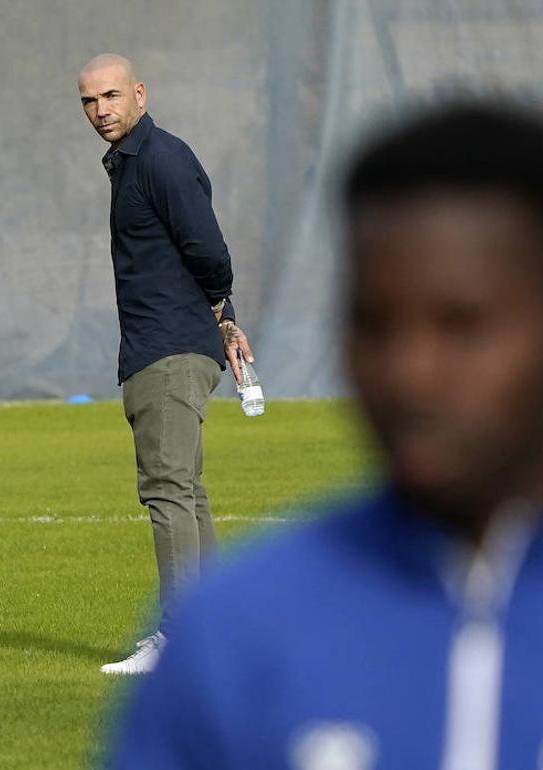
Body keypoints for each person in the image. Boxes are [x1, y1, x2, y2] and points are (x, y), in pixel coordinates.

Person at [106, 102, 543, 769]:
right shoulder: (229, 631)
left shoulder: (162, 161)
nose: (411, 376)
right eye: (374, 324)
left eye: (463, 325)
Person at [77, 54, 253, 675]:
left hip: (170, 349)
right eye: (90, 101)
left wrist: (218, 305)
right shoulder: (132, 163)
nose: (101, 110)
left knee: (168, 489)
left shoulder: (161, 159)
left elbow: (210, 252)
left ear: (140, 94)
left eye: (112, 96)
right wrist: (224, 317)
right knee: (186, 491)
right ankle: (209, 636)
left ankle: (181, 641)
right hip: (166, 346)